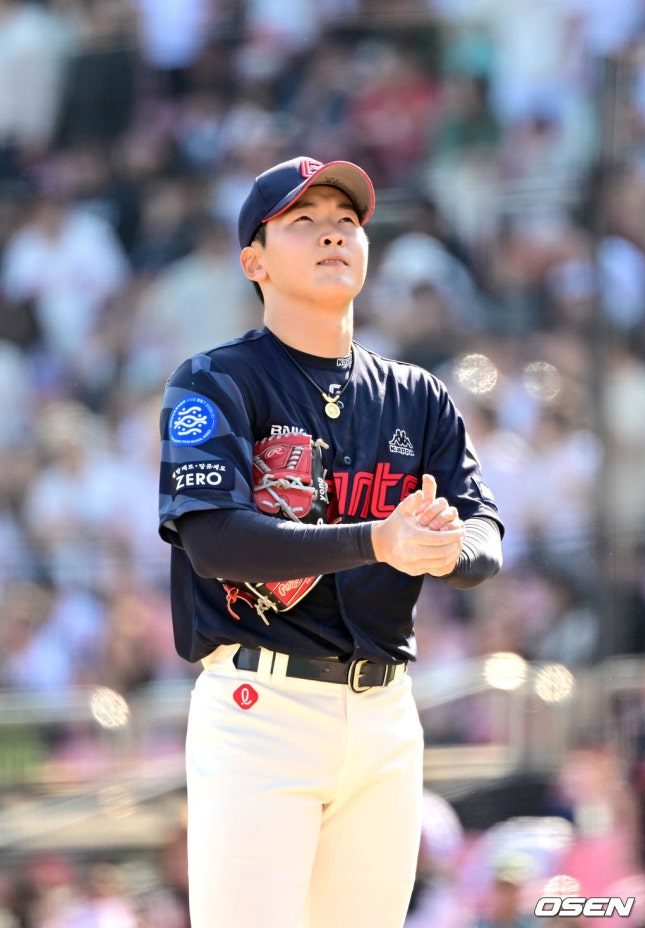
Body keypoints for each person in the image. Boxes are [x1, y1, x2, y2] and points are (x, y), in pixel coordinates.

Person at [157, 155, 504, 928]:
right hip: (261, 706)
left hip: (384, 714)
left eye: (346, 222)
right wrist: (377, 540)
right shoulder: (217, 381)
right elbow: (215, 542)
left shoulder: (417, 396)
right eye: (303, 222)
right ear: (255, 260)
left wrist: (447, 548)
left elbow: (485, 533)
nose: (332, 236)